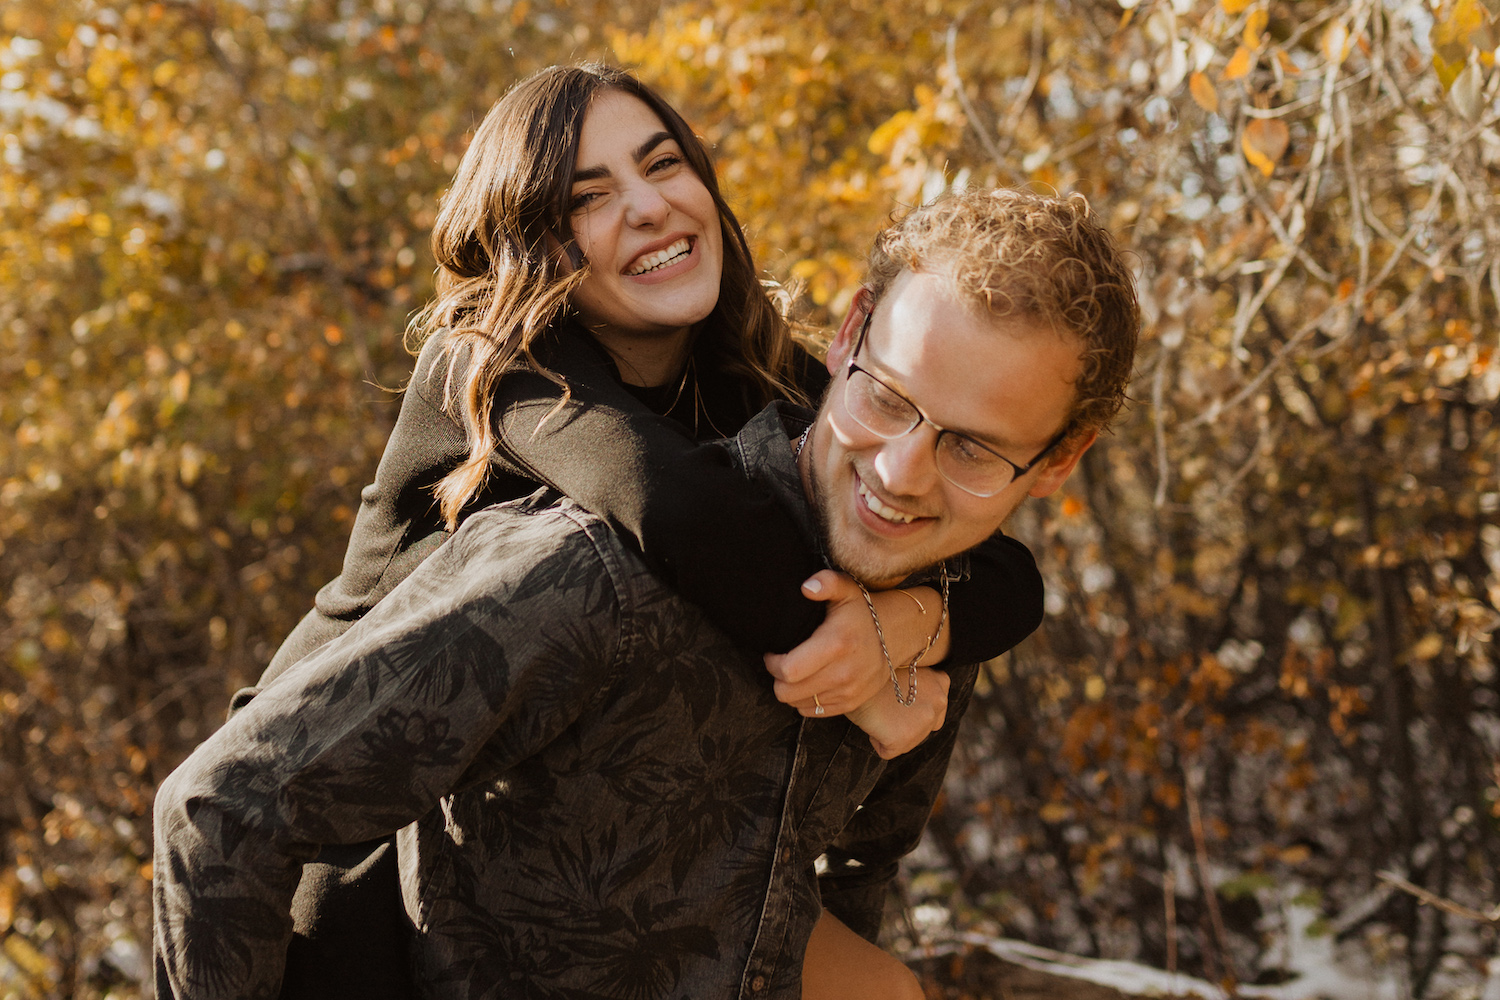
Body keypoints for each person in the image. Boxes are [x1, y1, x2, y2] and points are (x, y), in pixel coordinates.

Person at [152, 185, 1142, 999]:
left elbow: (845, 886)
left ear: (1058, 461)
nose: (902, 474)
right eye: (887, 399)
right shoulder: (588, 578)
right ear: (848, 336)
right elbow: (221, 807)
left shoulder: (929, 620)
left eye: (970, 448)